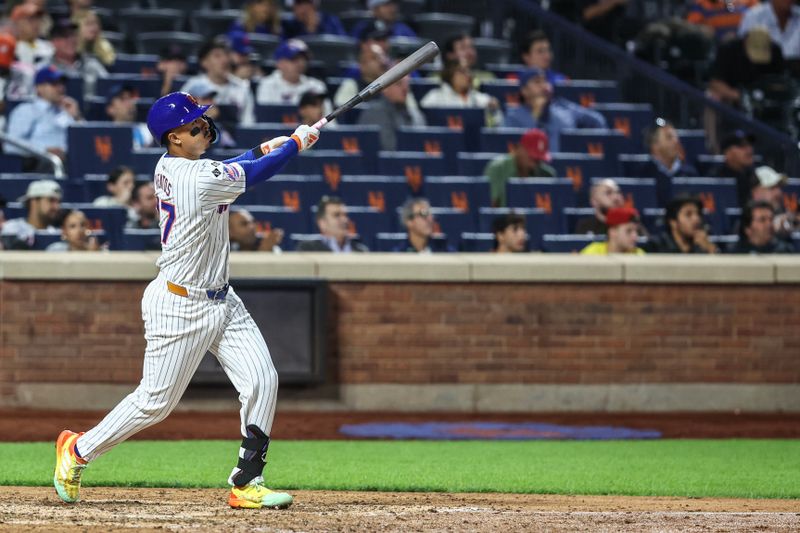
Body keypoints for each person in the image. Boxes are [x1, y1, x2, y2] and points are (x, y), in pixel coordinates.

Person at [53, 91, 320, 509]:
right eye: (195, 125)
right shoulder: (197, 178)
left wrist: (263, 147)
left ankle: (247, 481)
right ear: (174, 138)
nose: (204, 127)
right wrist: (294, 145)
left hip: (222, 299)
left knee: (263, 380)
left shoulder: (176, 166)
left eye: (203, 119)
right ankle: (78, 449)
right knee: (154, 404)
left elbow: (235, 166)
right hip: (180, 304)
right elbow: (253, 174)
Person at [503, 67, 606, 152]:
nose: (543, 86)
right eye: (537, 82)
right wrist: (536, 114)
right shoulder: (514, 115)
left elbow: (598, 121)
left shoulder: (564, 107)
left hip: (566, 170)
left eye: (545, 81)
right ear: (524, 91)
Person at [5, 65, 81, 170]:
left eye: (61, 83)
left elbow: (84, 142)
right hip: (39, 164)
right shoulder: (27, 110)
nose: (60, 88)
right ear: (39, 88)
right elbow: (11, 145)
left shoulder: (66, 111)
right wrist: (44, 151)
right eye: (54, 84)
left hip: (72, 163)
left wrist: (77, 117)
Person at [181, 38, 255, 125]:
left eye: (226, 55)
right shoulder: (192, 87)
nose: (224, 60)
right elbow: (179, 121)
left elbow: (248, 125)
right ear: (204, 62)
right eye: (217, 56)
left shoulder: (242, 88)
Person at [707, 27, 786, 109]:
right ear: (745, 42)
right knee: (713, 97)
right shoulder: (728, 50)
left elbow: (780, 82)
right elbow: (715, 82)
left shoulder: (775, 51)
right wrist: (738, 96)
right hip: (734, 93)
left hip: (763, 96)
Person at [484, 128, 556, 207]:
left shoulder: (547, 175)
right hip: (503, 219)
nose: (534, 164)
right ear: (520, 149)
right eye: (532, 158)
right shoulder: (498, 168)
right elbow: (490, 209)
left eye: (538, 160)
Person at [637, 119, 699, 207]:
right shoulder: (645, 174)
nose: (676, 141)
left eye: (676, 137)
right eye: (669, 137)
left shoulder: (690, 173)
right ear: (654, 145)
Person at [420, 61, 503, 127]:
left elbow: (497, 124)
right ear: (450, 74)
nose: (468, 75)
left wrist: (493, 110)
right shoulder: (434, 97)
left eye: (468, 71)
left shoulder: (480, 98)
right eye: (462, 71)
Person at [356, 73, 425, 151]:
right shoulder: (374, 113)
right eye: (399, 84)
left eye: (407, 84)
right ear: (385, 88)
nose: (405, 89)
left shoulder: (415, 114)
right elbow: (389, 149)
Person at [255, 39, 327, 106]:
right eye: (294, 59)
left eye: (304, 59)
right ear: (279, 63)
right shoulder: (267, 85)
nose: (301, 63)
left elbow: (329, 118)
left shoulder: (316, 87)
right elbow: (264, 117)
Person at [48, 18, 107, 97]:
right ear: (54, 42)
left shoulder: (92, 64)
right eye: (65, 36)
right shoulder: (45, 68)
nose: (71, 40)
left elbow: (109, 88)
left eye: (73, 35)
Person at [0, 179, 61, 250]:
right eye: (51, 200)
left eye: (58, 202)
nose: (56, 207)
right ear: (34, 202)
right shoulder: (11, 229)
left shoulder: (58, 234)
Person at [644, 195, 718, 253]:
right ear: (673, 222)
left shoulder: (702, 246)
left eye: (698, 214)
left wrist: (711, 250)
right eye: (688, 214)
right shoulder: (655, 247)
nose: (696, 219)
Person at [296, 196, 369, 252]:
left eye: (345, 215)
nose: (344, 220)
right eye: (336, 215)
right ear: (322, 223)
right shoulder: (308, 250)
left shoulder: (361, 250)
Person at [728, 200, 795, 253]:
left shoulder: (785, 251)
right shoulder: (736, 253)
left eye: (771, 219)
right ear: (748, 228)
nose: (769, 224)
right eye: (762, 220)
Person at [749, 165, 797, 238]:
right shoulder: (746, 222)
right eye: (772, 188)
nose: (778, 192)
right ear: (756, 192)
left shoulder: (787, 217)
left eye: (779, 187)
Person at [713, 129, 757, 208]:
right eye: (742, 146)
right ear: (727, 152)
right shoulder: (716, 179)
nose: (749, 150)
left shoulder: (754, 176)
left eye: (750, 145)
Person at [580, 206, 646, 255]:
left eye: (636, 231)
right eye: (628, 231)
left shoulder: (638, 254)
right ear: (612, 231)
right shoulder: (593, 253)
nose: (635, 236)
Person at [105, 84, 154, 149]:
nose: (129, 103)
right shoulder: (104, 135)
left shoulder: (147, 132)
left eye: (131, 98)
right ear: (110, 109)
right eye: (123, 99)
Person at [686, 0, 759, 43]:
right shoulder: (702, 4)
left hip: (746, 47)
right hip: (715, 49)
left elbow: (761, 21)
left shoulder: (749, 2)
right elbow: (691, 29)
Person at [10, 3, 53, 69]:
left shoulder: (48, 46)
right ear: (18, 23)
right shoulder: (9, 47)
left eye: (38, 19)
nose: (36, 24)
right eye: (30, 20)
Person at [350, 0, 416, 40]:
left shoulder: (404, 29)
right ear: (375, 9)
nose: (392, 9)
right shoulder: (363, 28)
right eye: (387, 5)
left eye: (394, 4)